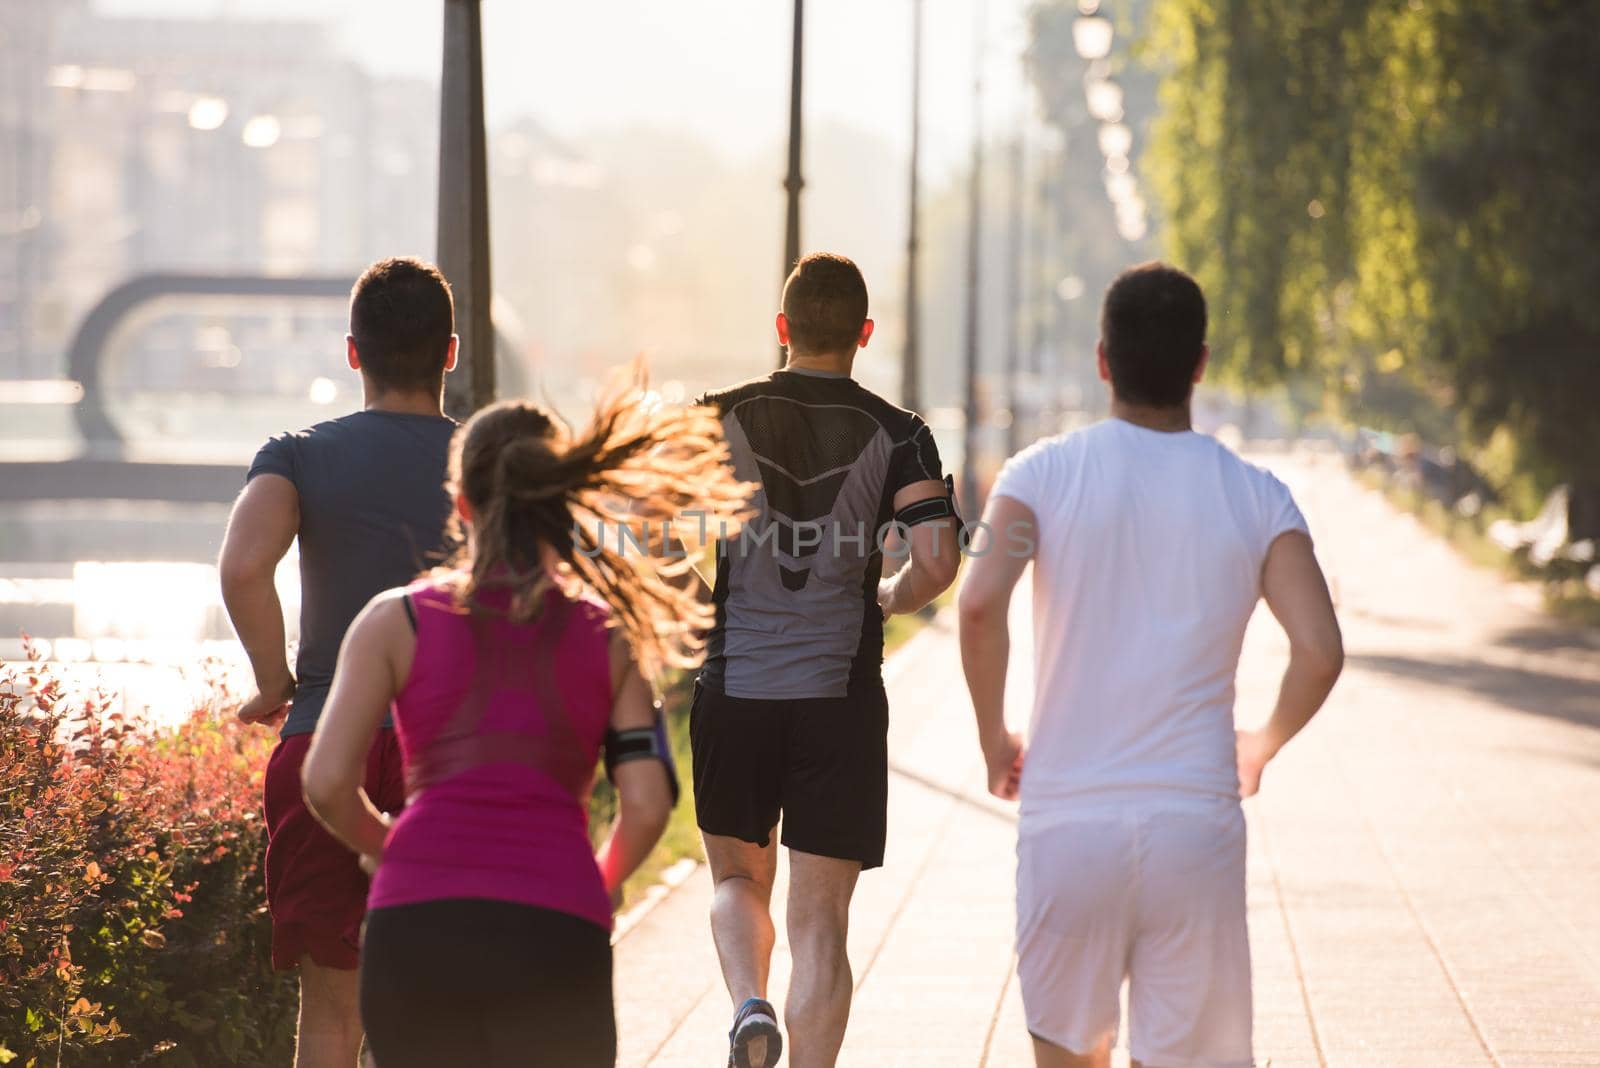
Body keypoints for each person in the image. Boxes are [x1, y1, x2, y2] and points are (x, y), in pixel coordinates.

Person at [957, 262, 1344, 1068]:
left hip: (1068, 823)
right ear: (1200, 364)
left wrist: (996, 738)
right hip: (1193, 827)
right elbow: (1319, 650)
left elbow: (978, 604)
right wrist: (1261, 744)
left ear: (1103, 359)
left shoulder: (1039, 475)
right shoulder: (1258, 497)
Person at [301, 371, 749, 1066]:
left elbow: (326, 782)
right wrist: (593, 880)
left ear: (461, 506)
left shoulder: (396, 620)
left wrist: (392, 848)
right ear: (563, 507)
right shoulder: (609, 635)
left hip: (415, 926)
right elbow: (650, 801)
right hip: (554, 924)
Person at [692, 252, 963, 1068]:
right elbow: (941, 560)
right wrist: (889, 597)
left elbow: (651, 528)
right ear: (863, 335)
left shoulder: (715, 415)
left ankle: (748, 1006)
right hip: (838, 703)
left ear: (783, 330)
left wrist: (701, 592)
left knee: (737, 884)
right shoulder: (901, 432)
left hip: (734, 689)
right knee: (822, 928)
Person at [218, 257, 459, 1067]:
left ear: (353, 353)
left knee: (329, 1011)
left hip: (327, 748)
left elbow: (246, 566)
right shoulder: (489, 470)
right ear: (450, 353)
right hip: (450, 761)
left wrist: (275, 682)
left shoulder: (297, 455)